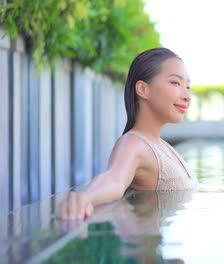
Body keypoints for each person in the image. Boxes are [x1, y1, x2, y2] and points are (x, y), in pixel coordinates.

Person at [56, 48, 198, 220]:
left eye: (187, 86)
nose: (187, 96)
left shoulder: (160, 145)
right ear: (143, 89)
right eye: (175, 83)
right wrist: (83, 198)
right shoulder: (134, 142)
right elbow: (114, 178)